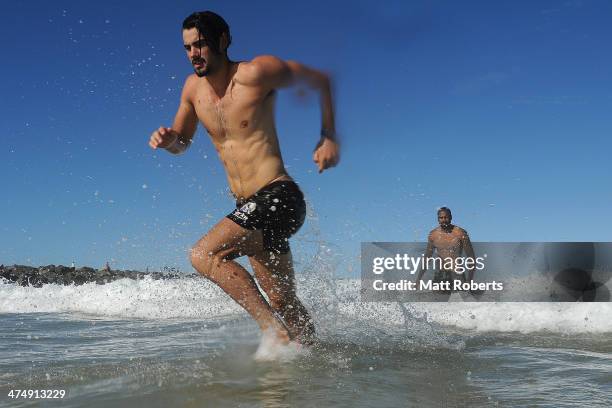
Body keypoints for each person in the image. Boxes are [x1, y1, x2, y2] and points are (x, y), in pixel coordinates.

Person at [148, 11, 339, 344]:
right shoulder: (193, 91)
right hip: (249, 207)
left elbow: (320, 80)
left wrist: (328, 136)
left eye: (201, 44)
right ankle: (314, 357)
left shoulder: (256, 73)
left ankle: (273, 333)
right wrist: (168, 142)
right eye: (188, 47)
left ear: (222, 41)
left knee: (203, 254)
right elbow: (182, 142)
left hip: (279, 196)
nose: (193, 54)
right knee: (282, 300)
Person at [416, 207, 476, 290]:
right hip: (439, 275)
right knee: (436, 302)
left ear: (451, 217)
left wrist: (469, 281)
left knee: (460, 302)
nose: (444, 220)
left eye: (446, 217)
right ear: (438, 219)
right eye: (441, 218)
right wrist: (418, 280)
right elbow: (427, 258)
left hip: (457, 275)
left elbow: (471, 258)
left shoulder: (460, 233)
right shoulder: (433, 235)